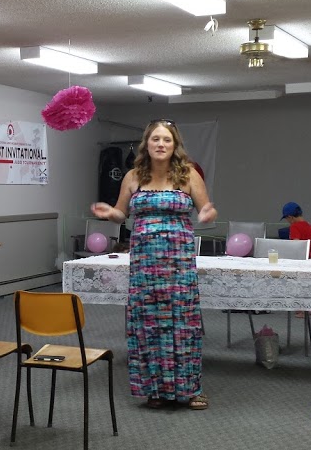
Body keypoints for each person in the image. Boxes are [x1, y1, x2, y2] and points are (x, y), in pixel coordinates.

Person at [91, 119, 216, 409]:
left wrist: (208, 213)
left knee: (182, 323)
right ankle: (155, 390)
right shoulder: (133, 176)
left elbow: (204, 209)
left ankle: (190, 389)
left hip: (178, 264)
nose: (161, 144)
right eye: (155, 139)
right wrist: (110, 212)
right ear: (146, 144)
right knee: (148, 323)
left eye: (167, 140)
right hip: (144, 265)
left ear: (175, 145)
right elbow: (121, 213)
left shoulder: (189, 175)